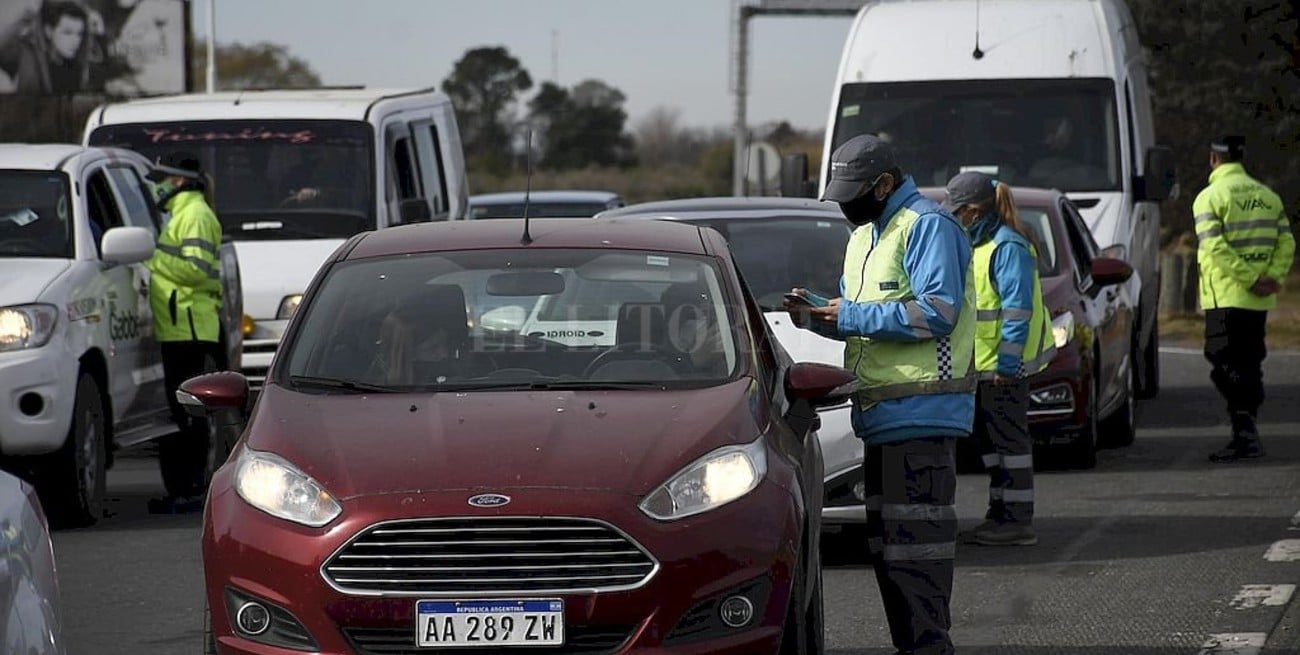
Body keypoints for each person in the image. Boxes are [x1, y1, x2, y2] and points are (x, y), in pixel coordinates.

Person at [784, 134, 975, 655]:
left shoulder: (927, 227)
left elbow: (936, 312)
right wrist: (823, 313)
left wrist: (844, 313)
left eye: (853, 191)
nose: (846, 204)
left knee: (917, 554)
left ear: (885, 183)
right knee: (893, 555)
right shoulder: (868, 235)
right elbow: (872, 316)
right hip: (884, 417)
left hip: (924, 414)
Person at [943, 172, 1054, 547]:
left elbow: (1016, 311)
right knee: (993, 444)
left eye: (960, 212)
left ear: (975, 211)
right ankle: (1001, 512)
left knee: (1009, 445)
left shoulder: (1008, 247)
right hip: (984, 367)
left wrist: (1007, 363)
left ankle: (1018, 520)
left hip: (1003, 368)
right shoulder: (982, 244)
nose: (957, 219)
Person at [1193, 135, 1294, 462]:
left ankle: (1245, 431)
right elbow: (1286, 242)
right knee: (1249, 362)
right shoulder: (1268, 197)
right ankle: (1246, 429)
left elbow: (1214, 246)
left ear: (1213, 159)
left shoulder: (1209, 197)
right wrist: (1272, 278)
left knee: (1223, 361)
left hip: (1225, 296)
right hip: (1258, 301)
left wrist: (1248, 278)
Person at [144, 151, 224, 514]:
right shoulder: (184, 213)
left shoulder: (194, 215)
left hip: (190, 327)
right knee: (183, 413)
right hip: (182, 326)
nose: (158, 186)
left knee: (189, 414)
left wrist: (152, 256)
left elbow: (194, 269)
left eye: (163, 178)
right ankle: (184, 488)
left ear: (177, 180)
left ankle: (191, 490)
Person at [0, 0, 93, 94]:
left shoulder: (81, 65)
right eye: (67, 33)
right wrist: (25, 17)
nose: (75, 41)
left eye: (79, 34)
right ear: (49, 31)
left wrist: (101, 37)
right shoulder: (28, 54)